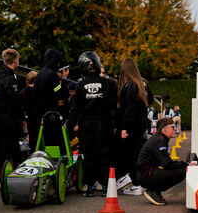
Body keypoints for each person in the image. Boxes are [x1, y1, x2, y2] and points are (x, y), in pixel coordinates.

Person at [74, 51, 117, 197]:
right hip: (104, 123)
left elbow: (76, 107)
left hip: (86, 124)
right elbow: (113, 105)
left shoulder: (80, 84)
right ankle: (105, 186)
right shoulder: (106, 83)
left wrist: (71, 124)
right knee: (105, 154)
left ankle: (90, 186)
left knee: (89, 154)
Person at [117, 57, 154, 196]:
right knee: (139, 154)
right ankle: (138, 184)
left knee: (130, 156)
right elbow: (149, 100)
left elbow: (129, 109)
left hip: (132, 126)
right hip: (142, 124)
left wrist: (124, 127)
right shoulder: (142, 83)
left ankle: (135, 184)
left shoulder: (130, 85)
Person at [137, 117, 188, 205]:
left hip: (145, 173)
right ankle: (152, 190)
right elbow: (167, 164)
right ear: (164, 129)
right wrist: (186, 164)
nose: (175, 129)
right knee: (181, 172)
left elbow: (165, 162)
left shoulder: (160, 139)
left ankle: (154, 190)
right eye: (172, 127)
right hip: (145, 175)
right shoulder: (159, 140)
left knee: (180, 170)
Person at [0, 48, 26, 174]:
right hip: (9, 121)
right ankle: (9, 175)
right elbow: (15, 101)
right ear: (15, 60)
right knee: (11, 150)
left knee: (1, 148)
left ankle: (0, 174)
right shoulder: (10, 78)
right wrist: (22, 118)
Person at [33, 48, 64, 123]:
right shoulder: (53, 74)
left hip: (39, 113)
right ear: (55, 60)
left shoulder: (39, 73)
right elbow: (58, 92)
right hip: (50, 114)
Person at [21, 71, 39, 143]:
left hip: (28, 116)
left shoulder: (23, 91)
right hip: (37, 117)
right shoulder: (38, 91)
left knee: (31, 137)